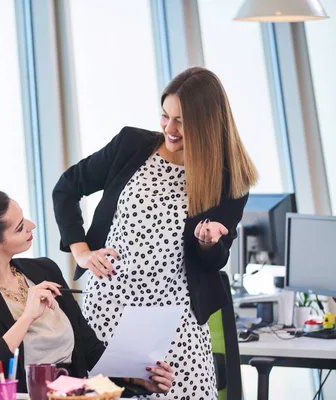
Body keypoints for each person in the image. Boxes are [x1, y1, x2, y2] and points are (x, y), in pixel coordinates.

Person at [52, 66, 258, 399]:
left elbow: (215, 260)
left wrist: (209, 244)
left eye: (182, 121)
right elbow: (66, 188)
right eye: (165, 116)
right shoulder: (131, 145)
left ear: (206, 125)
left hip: (175, 325)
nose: (169, 128)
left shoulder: (228, 181)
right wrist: (82, 252)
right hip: (108, 313)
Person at [0, 190, 175, 395]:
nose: (32, 226)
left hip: (75, 393)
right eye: (20, 227)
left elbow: (89, 349)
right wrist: (26, 318)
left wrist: (133, 379)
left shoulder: (44, 270)